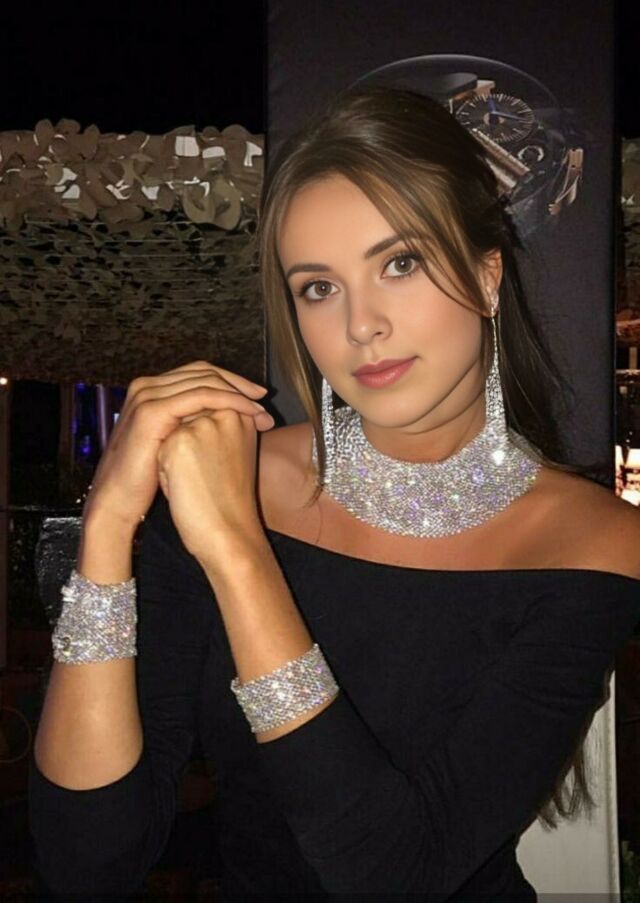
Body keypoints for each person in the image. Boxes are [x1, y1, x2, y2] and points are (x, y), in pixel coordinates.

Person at [29, 84, 640, 900]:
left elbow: (399, 874)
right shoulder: (226, 484)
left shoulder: (593, 543)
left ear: (487, 275)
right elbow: (87, 864)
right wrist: (109, 521)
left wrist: (241, 555)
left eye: (400, 263)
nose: (361, 325)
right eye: (319, 286)